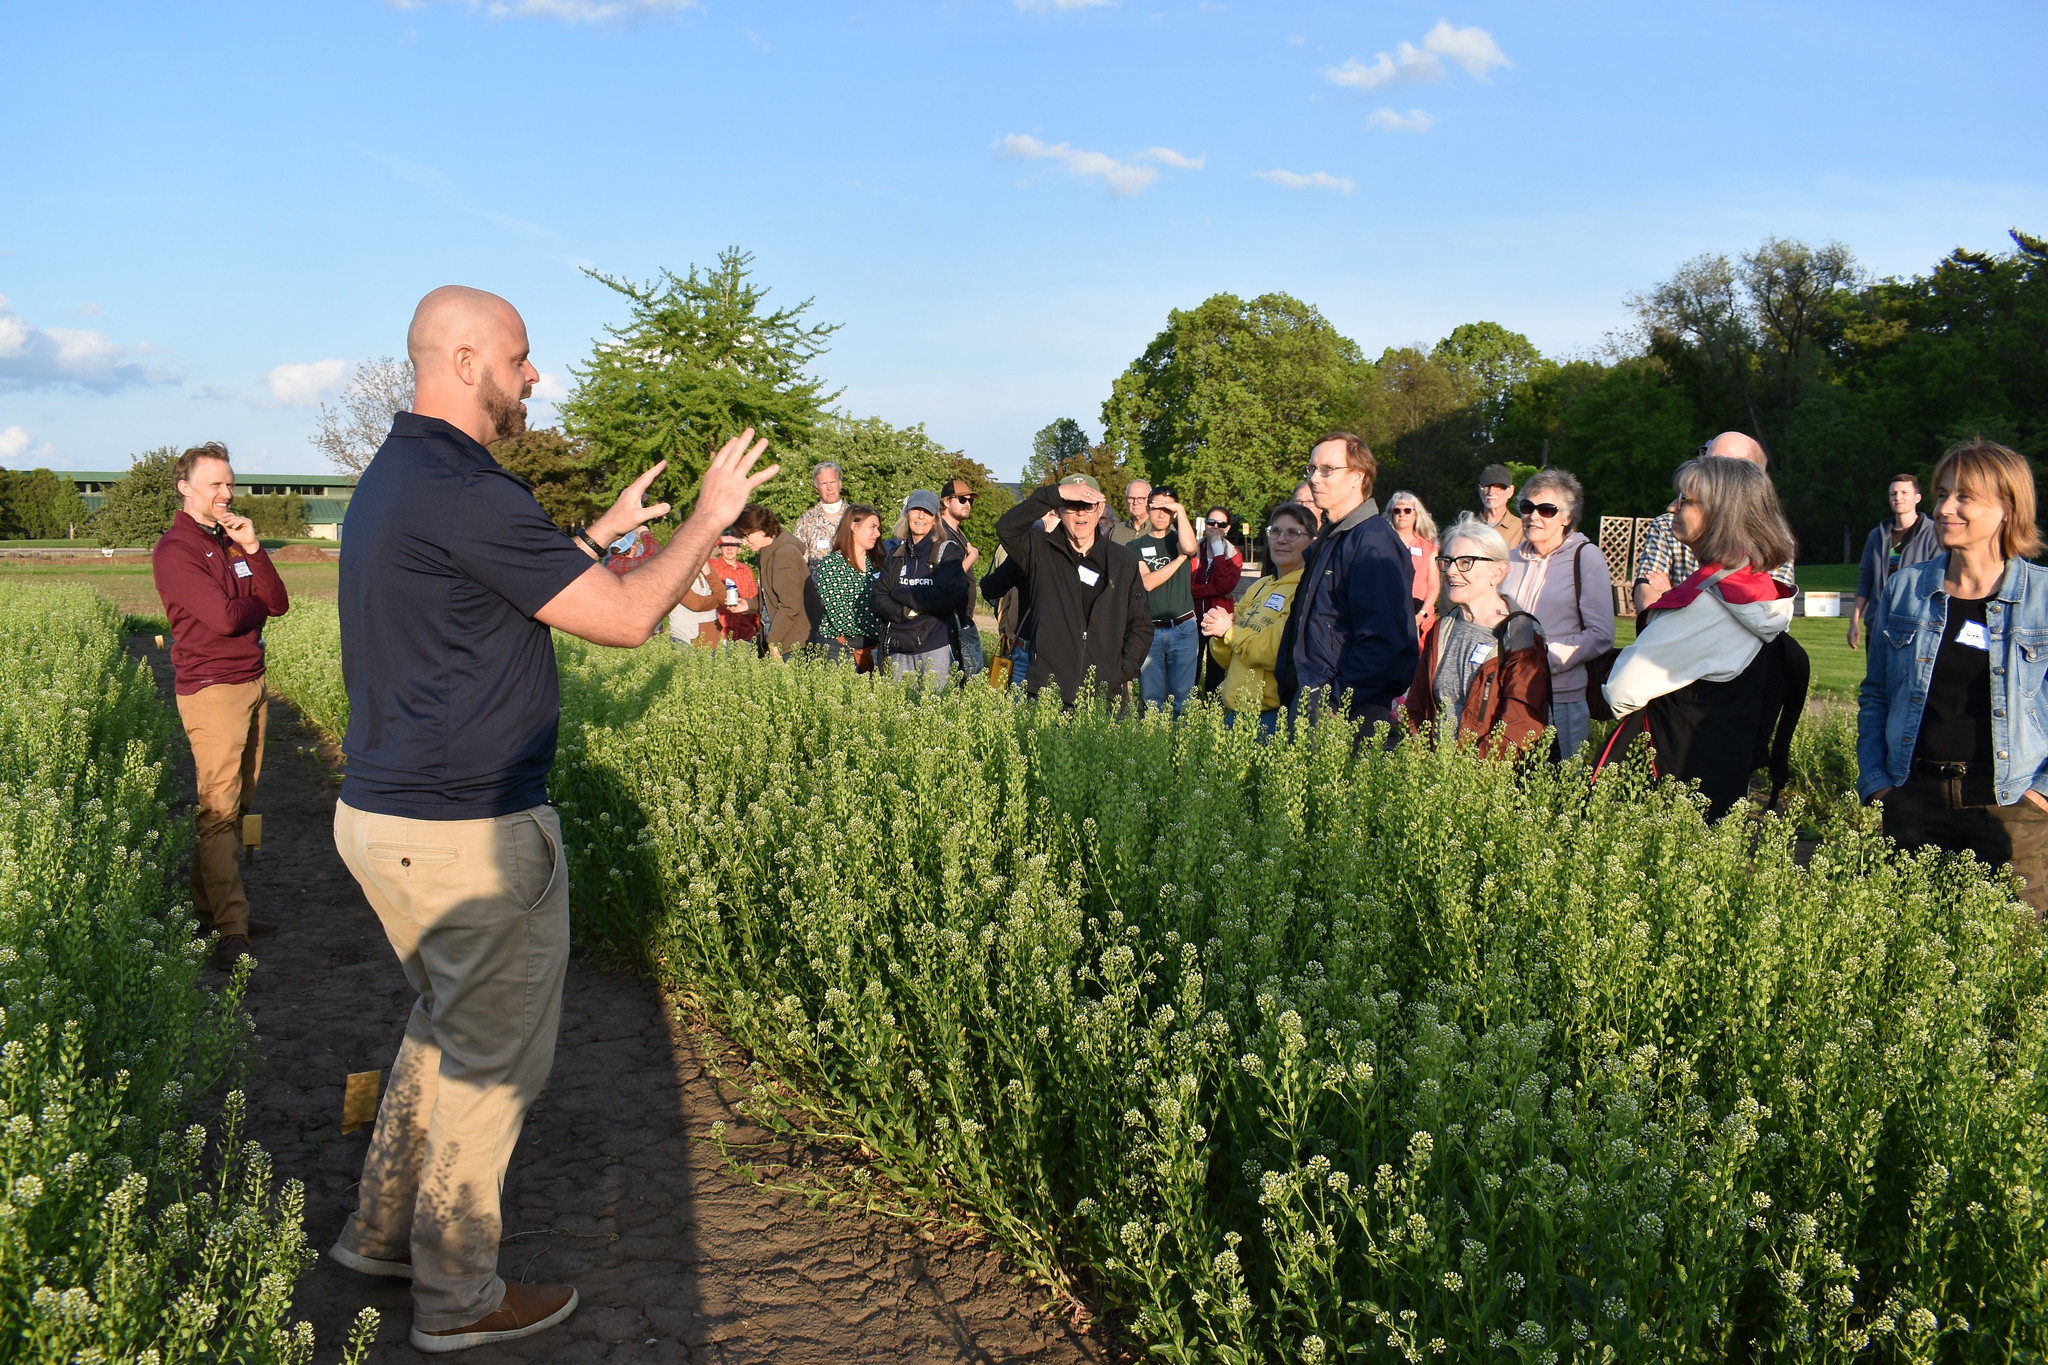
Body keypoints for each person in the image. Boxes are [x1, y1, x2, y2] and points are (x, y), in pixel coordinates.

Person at [328, 285, 776, 1352]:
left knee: (440, 1034)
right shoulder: (470, 490)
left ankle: (381, 1238)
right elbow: (623, 620)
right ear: (470, 357)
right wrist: (710, 523)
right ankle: (458, 1298)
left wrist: (590, 534)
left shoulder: (406, 478)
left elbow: (502, 592)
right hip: (469, 834)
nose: (535, 377)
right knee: (491, 1070)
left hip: (385, 817)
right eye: (523, 359)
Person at [1858, 439, 2048, 918]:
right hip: (1913, 799)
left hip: (2012, 807)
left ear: (2007, 507)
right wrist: (1879, 782)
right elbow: (1876, 693)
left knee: (2013, 959)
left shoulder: (2042, 596)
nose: (1945, 508)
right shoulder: (1907, 588)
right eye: (1942, 494)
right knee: (1910, 959)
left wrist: (2041, 796)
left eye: (1965, 497)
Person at [1600, 456, 1805, 820]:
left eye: (1685, 500)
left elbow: (1622, 691)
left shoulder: (1705, 605)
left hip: (1668, 781)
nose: (1672, 507)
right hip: (1722, 770)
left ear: (1721, 513)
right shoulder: (1760, 590)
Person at [150, 441, 290, 970]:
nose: (227, 494)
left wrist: (254, 548)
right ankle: (230, 930)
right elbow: (226, 619)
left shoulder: (231, 542)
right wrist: (246, 605)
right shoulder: (177, 550)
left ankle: (208, 912)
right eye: (216, 485)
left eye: (230, 484)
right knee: (218, 810)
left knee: (236, 806)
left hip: (251, 683)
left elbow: (276, 603)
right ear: (186, 488)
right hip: (212, 690)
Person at [1273, 432, 1418, 734]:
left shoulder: (1371, 541)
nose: (1315, 478)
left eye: (1327, 469)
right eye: (1311, 469)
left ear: (1357, 476)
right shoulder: (1333, 536)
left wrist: (1337, 701)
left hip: (1341, 709)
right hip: (1312, 695)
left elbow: (1382, 640)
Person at [994, 473, 1152, 705]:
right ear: (1058, 511)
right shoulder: (1039, 552)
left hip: (1102, 699)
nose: (1080, 513)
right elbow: (1007, 528)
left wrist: (1121, 671)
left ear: (1100, 509)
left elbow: (1140, 624)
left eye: (1087, 506)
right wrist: (1053, 494)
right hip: (1046, 694)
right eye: (1071, 505)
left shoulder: (1122, 561)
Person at [1403, 516, 1550, 755]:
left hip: (1486, 781)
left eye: (1465, 562)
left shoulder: (1520, 636)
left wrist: (1472, 777)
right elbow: (1417, 705)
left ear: (1498, 571)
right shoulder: (1442, 630)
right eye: (1447, 561)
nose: (1450, 571)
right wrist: (1419, 763)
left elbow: (1520, 726)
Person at [1500, 468, 1614, 760]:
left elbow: (1601, 634)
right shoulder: (1509, 559)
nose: (1533, 516)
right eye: (1527, 507)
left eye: (1546, 509)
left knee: (1558, 786)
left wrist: (1547, 659)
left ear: (1567, 516)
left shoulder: (1586, 557)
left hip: (1560, 697)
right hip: (1510, 693)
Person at [1633, 432, 1796, 611]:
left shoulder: (1773, 537)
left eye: (1721, 466)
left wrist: (1672, 596)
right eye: (1705, 457)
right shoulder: (1669, 526)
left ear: (1751, 481)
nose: (1704, 469)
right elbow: (1647, 602)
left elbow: (1767, 613)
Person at [1202, 502, 1312, 735]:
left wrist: (1229, 632)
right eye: (1275, 531)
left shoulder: (1304, 591)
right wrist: (1218, 632)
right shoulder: (1261, 585)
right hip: (1234, 710)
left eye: (1293, 533)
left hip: (1269, 715)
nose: (1281, 539)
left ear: (1312, 541)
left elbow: (1274, 653)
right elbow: (1226, 658)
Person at [874, 490, 970, 688]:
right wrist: (906, 611)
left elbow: (944, 597)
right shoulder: (895, 554)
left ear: (935, 519)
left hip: (936, 647)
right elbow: (877, 599)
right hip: (898, 647)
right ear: (907, 514)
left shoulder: (948, 551)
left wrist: (899, 594)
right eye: (916, 510)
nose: (920, 516)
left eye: (927, 512)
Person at [1132, 485, 1202, 716]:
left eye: (1167, 509)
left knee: (1183, 699)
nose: (1161, 514)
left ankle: (1181, 748)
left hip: (1183, 628)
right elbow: (1147, 583)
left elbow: (1190, 547)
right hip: (1150, 631)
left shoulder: (1180, 540)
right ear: (1148, 509)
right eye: (1156, 508)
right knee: (1151, 700)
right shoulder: (1136, 546)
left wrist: (1180, 510)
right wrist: (1180, 559)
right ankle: (1154, 747)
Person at [1849, 473, 1939, 649]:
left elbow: (1939, 581)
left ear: (1917, 498)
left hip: (1915, 628)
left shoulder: (1932, 534)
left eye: (1904, 492)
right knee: (1875, 677)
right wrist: (1854, 620)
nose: (1898, 497)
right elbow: (1866, 580)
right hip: (1877, 626)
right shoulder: (1877, 536)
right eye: (1893, 493)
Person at [814, 504, 883, 668]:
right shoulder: (831, 565)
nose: (878, 534)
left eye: (878, 528)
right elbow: (841, 617)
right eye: (872, 527)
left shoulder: (877, 565)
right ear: (853, 526)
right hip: (839, 650)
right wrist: (883, 629)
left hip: (872, 648)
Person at [937, 477, 986, 677]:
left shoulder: (957, 533)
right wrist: (972, 557)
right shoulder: (940, 533)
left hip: (962, 615)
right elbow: (946, 577)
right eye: (962, 500)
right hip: (950, 618)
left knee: (969, 675)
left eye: (970, 501)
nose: (968, 504)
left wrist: (969, 610)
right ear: (946, 502)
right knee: (961, 676)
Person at [1192, 506, 1243, 694]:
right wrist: (1215, 590)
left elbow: (1226, 587)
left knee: (1216, 669)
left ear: (1227, 528)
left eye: (1220, 524)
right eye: (1211, 522)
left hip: (1218, 619)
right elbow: (1187, 588)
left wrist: (1218, 553)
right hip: (1194, 617)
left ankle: (1212, 708)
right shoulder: (1193, 549)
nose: (1215, 527)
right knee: (1192, 668)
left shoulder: (1233, 554)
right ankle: (1190, 705)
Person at [749, 505, 811, 658]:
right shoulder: (769, 552)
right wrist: (748, 604)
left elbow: (790, 605)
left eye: (746, 536)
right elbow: (773, 597)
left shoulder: (783, 553)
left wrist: (773, 640)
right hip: (784, 639)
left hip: (791, 642)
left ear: (761, 530)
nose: (744, 542)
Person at [1384, 490, 1440, 640]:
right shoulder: (1382, 543)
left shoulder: (1428, 545)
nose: (1402, 514)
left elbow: (1434, 585)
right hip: (1389, 614)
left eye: (1407, 510)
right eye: (1397, 510)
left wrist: (1422, 613)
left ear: (1416, 514)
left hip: (1421, 615)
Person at [708, 532, 761, 645]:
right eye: (725, 545)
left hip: (745, 634)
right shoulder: (711, 567)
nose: (729, 548)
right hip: (721, 634)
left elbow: (754, 599)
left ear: (739, 549)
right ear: (720, 548)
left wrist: (758, 628)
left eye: (733, 545)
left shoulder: (746, 570)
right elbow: (700, 552)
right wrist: (717, 539)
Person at [791, 461, 848, 563]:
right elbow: (798, 560)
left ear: (840, 484)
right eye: (824, 484)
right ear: (817, 488)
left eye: (832, 482)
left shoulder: (855, 516)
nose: (829, 488)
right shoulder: (806, 520)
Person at [1476, 464, 1524, 548]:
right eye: (1487, 486)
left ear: (1510, 491)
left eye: (1498, 487)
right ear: (1480, 490)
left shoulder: (1522, 529)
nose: (1491, 492)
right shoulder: (1466, 528)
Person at [1110, 477, 1152, 546]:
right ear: (1126, 501)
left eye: (1141, 498)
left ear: (1150, 500)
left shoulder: (1162, 529)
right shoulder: (1116, 530)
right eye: (1131, 498)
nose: (1135, 502)